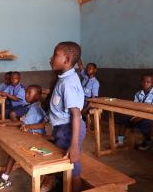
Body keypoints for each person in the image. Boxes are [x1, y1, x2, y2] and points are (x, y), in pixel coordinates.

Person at [0, 85, 47, 190]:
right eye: (26, 92)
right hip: (29, 135)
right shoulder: (33, 106)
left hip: (34, 139)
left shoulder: (35, 108)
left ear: (37, 96)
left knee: (14, 151)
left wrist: (5, 124)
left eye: (29, 93)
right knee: (13, 151)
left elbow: (22, 123)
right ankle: (4, 177)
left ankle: (4, 178)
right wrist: (5, 122)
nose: (26, 95)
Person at [46, 41, 86, 192]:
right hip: (62, 128)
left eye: (55, 54)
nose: (51, 58)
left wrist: (74, 145)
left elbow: (76, 115)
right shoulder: (63, 78)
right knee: (63, 164)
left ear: (67, 60)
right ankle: (62, 185)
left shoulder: (68, 83)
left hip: (69, 129)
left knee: (72, 167)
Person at [116, 74, 153, 151]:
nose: (146, 83)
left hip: (152, 116)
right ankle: (120, 141)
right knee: (123, 119)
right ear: (141, 82)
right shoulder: (138, 93)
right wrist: (134, 116)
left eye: (148, 82)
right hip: (138, 115)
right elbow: (135, 107)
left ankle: (148, 141)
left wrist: (139, 117)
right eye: (144, 81)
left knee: (144, 124)